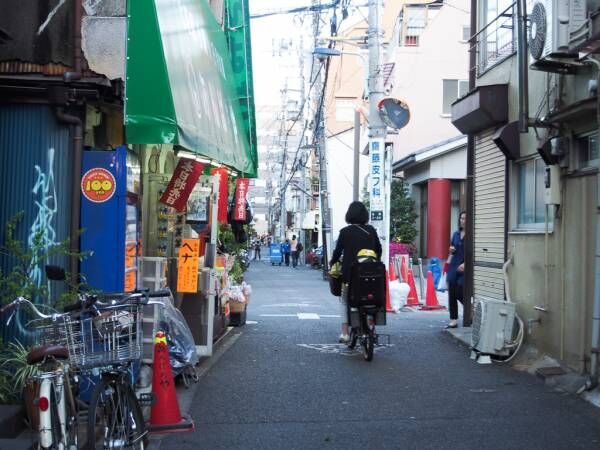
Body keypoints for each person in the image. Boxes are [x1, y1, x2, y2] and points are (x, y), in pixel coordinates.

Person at [329, 201, 382, 343]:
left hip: (350, 275)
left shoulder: (345, 232)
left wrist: (332, 262)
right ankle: (371, 325)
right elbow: (379, 250)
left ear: (349, 215)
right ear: (364, 215)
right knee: (372, 298)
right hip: (371, 273)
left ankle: (345, 333)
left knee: (345, 301)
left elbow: (337, 252)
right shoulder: (371, 230)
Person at [446, 211, 466, 328]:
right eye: (462, 218)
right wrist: (451, 249)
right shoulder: (456, 234)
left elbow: (474, 253)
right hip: (454, 265)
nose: (463, 221)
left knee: (459, 291)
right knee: (452, 293)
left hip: (464, 267)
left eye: (465, 219)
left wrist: (466, 264)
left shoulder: (472, 235)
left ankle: (469, 308)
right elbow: (451, 249)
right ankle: (453, 319)